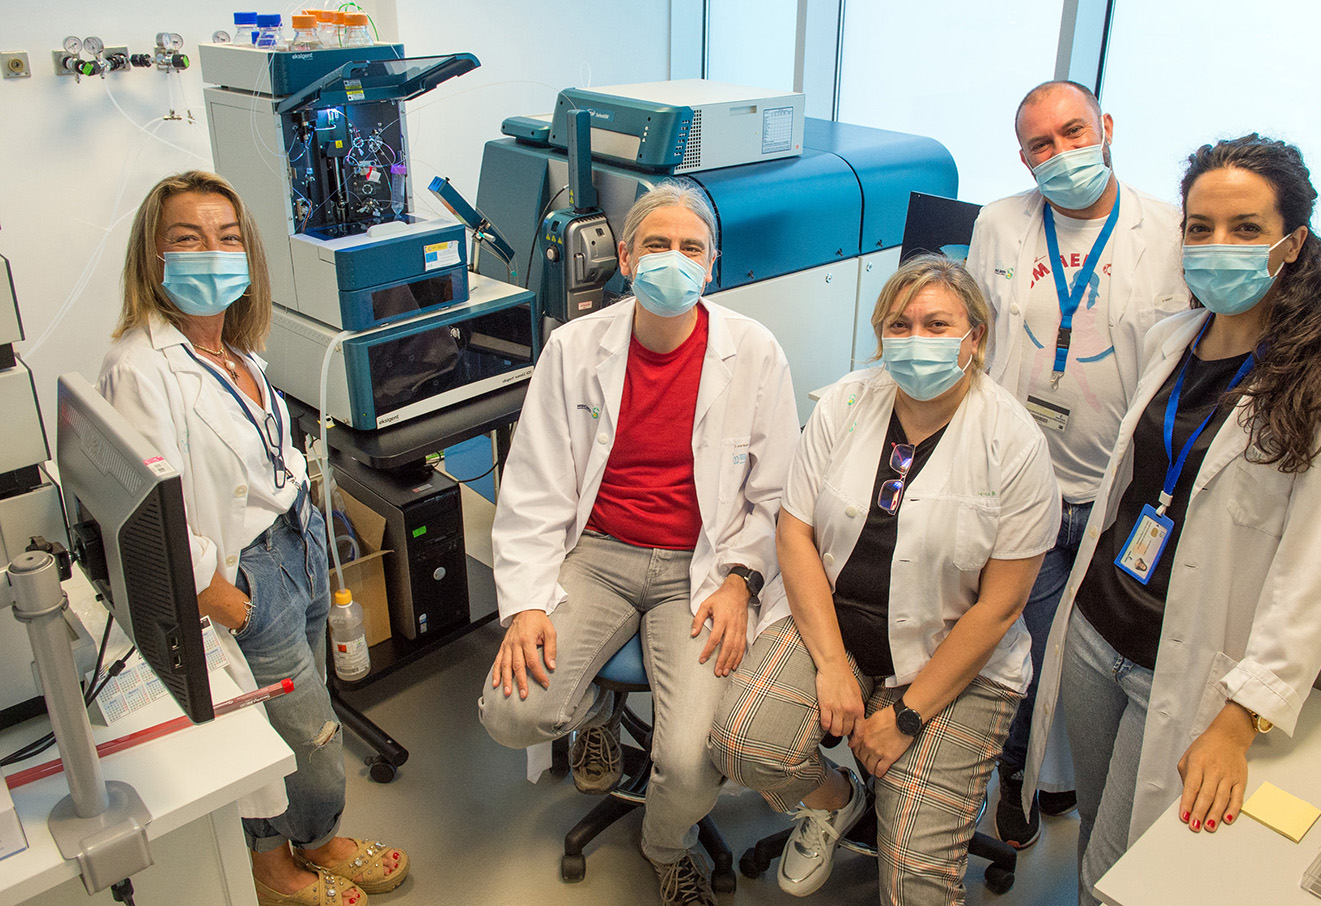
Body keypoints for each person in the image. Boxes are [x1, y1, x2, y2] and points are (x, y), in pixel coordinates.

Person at [1022, 134, 1321, 905]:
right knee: (1094, 829)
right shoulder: (1168, 340)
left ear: (1291, 244)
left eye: (1245, 229)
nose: (1217, 246)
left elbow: (1313, 571)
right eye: (1199, 227)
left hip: (1179, 665)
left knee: (1122, 872)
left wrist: (1237, 719)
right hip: (1094, 629)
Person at [477, 180, 799, 906]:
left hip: (703, 568)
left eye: (691, 249)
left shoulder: (753, 352)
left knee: (689, 764)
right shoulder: (574, 347)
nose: (673, 261)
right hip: (600, 552)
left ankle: (665, 847)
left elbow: (775, 497)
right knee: (511, 712)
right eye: (656, 245)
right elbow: (532, 484)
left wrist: (740, 583)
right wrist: (528, 604)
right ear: (625, 257)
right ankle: (595, 714)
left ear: (712, 265)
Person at [710, 255, 1061, 905]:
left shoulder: (1013, 443)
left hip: (950, 659)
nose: (915, 338)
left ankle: (908, 792)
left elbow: (1000, 606)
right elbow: (794, 533)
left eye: (937, 324)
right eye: (899, 324)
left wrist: (904, 714)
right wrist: (830, 666)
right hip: (833, 625)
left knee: (915, 881)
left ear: (974, 337)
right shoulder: (845, 402)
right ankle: (833, 800)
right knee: (742, 743)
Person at [99, 171, 409, 906]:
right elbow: (151, 507)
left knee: (309, 717)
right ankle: (278, 866)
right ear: (153, 258)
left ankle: (312, 837)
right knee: (300, 733)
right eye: (188, 239)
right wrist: (220, 595)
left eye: (227, 238)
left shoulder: (235, 350)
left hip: (294, 547)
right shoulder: (139, 367)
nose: (212, 253)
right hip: (245, 575)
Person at [964, 79, 1190, 849]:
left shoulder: (1169, 234)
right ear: (1023, 158)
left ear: (1107, 127)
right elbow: (975, 336)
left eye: (1073, 132)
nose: (1060, 154)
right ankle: (1018, 781)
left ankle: (1065, 784)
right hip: (1020, 484)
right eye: (1041, 144)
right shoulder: (998, 224)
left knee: (1091, 667)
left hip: (1115, 498)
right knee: (1023, 649)